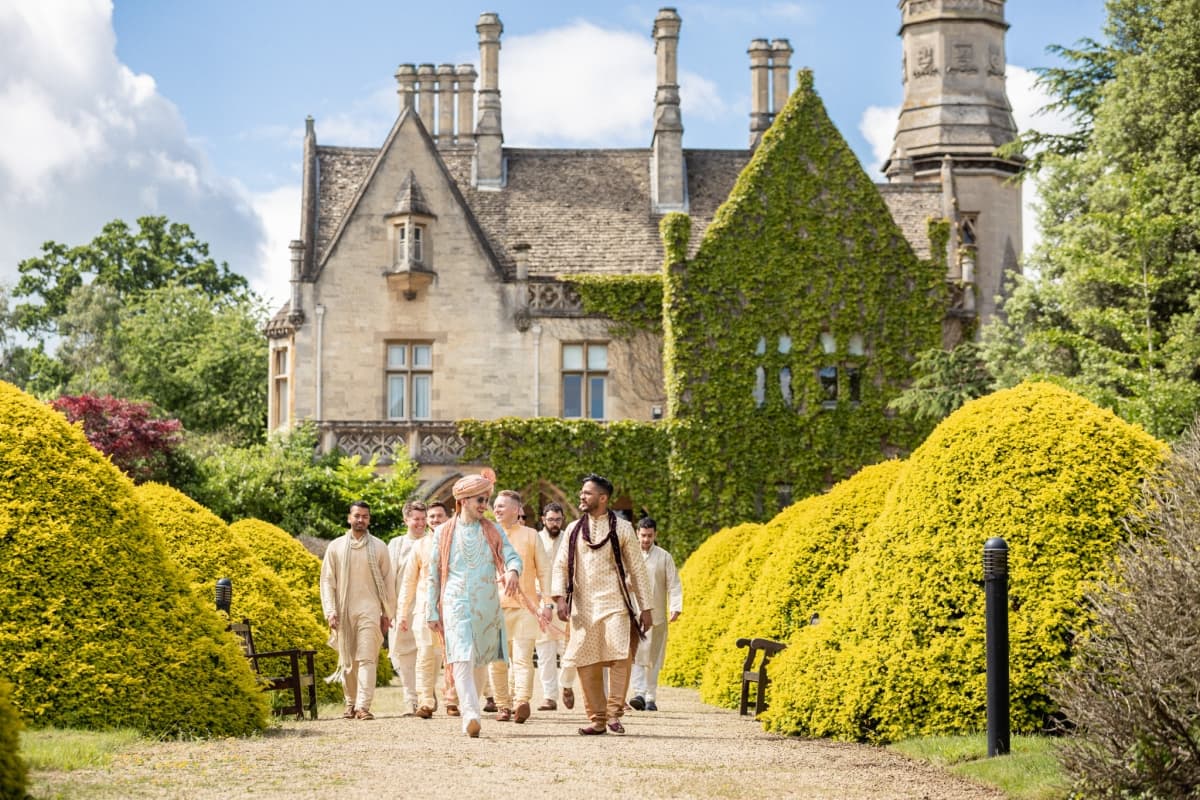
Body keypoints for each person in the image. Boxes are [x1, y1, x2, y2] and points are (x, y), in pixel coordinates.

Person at [552, 474, 652, 736]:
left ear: (603, 498)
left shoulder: (622, 528)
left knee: (621, 656)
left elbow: (638, 570)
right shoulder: (574, 529)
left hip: (615, 602)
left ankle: (614, 713)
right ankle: (597, 719)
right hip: (583, 606)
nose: (581, 497)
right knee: (586, 661)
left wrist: (646, 608)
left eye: (587, 493)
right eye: (582, 492)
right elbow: (561, 565)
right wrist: (560, 598)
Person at [427, 471, 522, 738]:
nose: (485, 505)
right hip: (455, 602)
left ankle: (474, 708)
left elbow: (511, 556)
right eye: (480, 499)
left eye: (486, 500)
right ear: (464, 500)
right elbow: (433, 573)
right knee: (461, 656)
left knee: (480, 660)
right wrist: (431, 610)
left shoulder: (493, 529)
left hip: (487, 605)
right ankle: (469, 713)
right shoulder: (444, 532)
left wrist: (513, 571)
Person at [320, 500, 397, 720]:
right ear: (349, 518)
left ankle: (363, 706)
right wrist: (330, 610)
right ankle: (350, 703)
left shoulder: (379, 547)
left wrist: (387, 613)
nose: (360, 520)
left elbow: (388, 581)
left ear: (369, 520)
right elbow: (327, 581)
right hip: (344, 610)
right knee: (348, 660)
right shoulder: (335, 547)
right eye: (357, 516)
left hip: (370, 610)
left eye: (365, 516)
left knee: (366, 658)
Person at [487, 490, 552, 723]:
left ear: (517, 510)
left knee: (523, 659)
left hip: (526, 607)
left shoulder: (531, 535)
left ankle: (521, 702)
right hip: (493, 607)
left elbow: (544, 571)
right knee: (498, 661)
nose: (497, 509)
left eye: (502, 506)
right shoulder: (486, 534)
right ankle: (503, 706)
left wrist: (548, 604)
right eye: (495, 505)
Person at [628, 517, 682, 712]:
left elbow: (674, 583)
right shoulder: (630, 556)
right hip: (634, 615)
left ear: (655, 535)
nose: (646, 540)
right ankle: (639, 694)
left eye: (649, 536)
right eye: (643, 535)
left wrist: (675, 607)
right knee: (637, 655)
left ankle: (651, 697)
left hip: (657, 616)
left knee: (654, 657)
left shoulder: (664, 557)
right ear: (637, 534)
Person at [396, 501, 442, 718]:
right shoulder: (410, 546)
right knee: (418, 655)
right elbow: (406, 582)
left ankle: (442, 697)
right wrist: (400, 612)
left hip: (447, 609)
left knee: (438, 656)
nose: (426, 522)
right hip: (419, 610)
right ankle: (420, 701)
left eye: (431, 518)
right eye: (424, 518)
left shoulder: (453, 542)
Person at [534, 502, 576, 710]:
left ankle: (566, 684)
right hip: (541, 602)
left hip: (566, 602)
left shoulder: (569, 540)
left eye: (558, 520)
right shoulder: (536, 539)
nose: (554, 524)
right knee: (544, 652)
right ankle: (549, 697)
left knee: (569, 651)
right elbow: (530, 569)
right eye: (550, 520)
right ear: (543, 520)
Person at [387, 501, 426, 715]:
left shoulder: (433, 541)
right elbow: (389, 578)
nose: (420, 524)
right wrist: (389, 610)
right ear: (406, 520)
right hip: (402, 609)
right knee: (403, 655)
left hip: (426, 607)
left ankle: (425, 695)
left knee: (427, 653)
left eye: (423, 519)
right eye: (416, 519)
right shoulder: (396, 544)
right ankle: (410, 699)